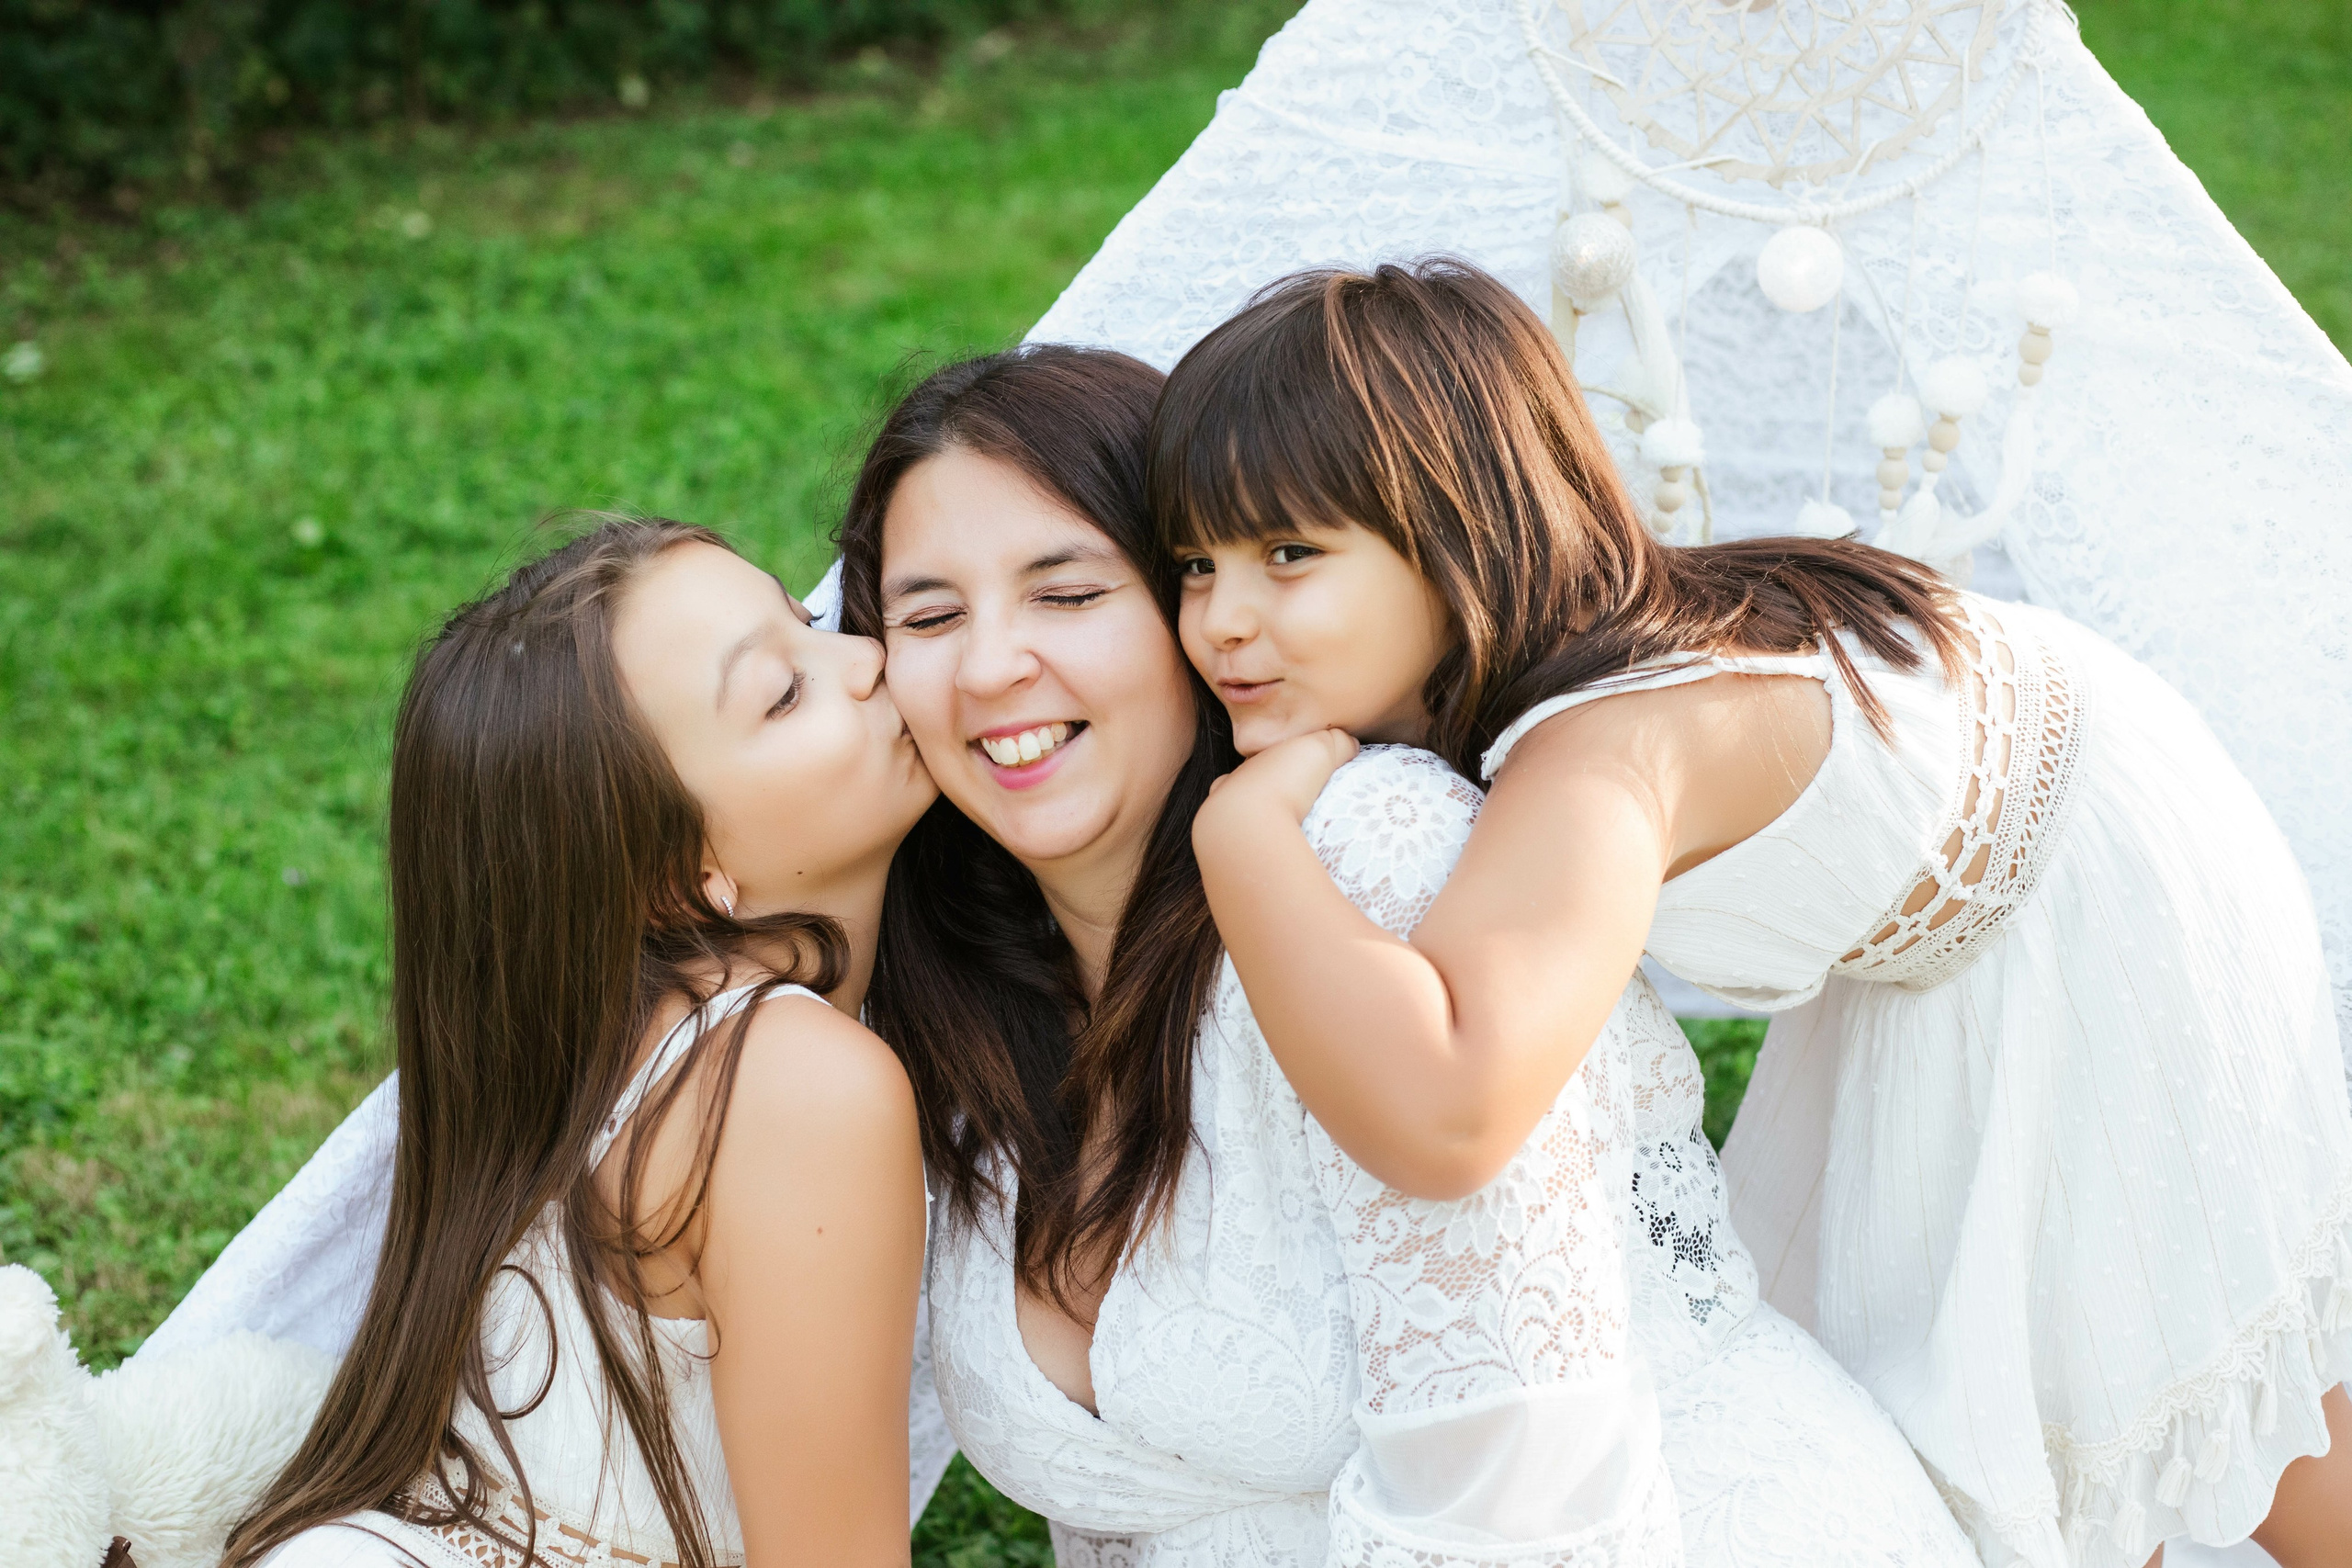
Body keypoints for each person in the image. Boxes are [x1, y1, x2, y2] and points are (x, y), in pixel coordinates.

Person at [1159, 259, 2352, 1568]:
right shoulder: (1567, 676)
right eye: (1193, 564)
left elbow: (1450, 1110)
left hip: (2087, 876)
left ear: (1458, 534)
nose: (1222, 620)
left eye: (1288, 555)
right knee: (1982, 1377)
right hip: (1962, 878)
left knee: (2135, 1351)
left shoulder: (1605, 746)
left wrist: (1242, 834)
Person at [836, 341, 1979, 1564]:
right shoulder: (960, 1022)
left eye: (1068, 595)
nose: (993, 664)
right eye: (930, 614)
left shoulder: (1371, 857)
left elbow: (1526, 1482)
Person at [227, 520, 935, 1568]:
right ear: (675, 874)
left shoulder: (583, 1034)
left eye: (809, 623)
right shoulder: (799, 1086)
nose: (872, 656)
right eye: (783, 693)